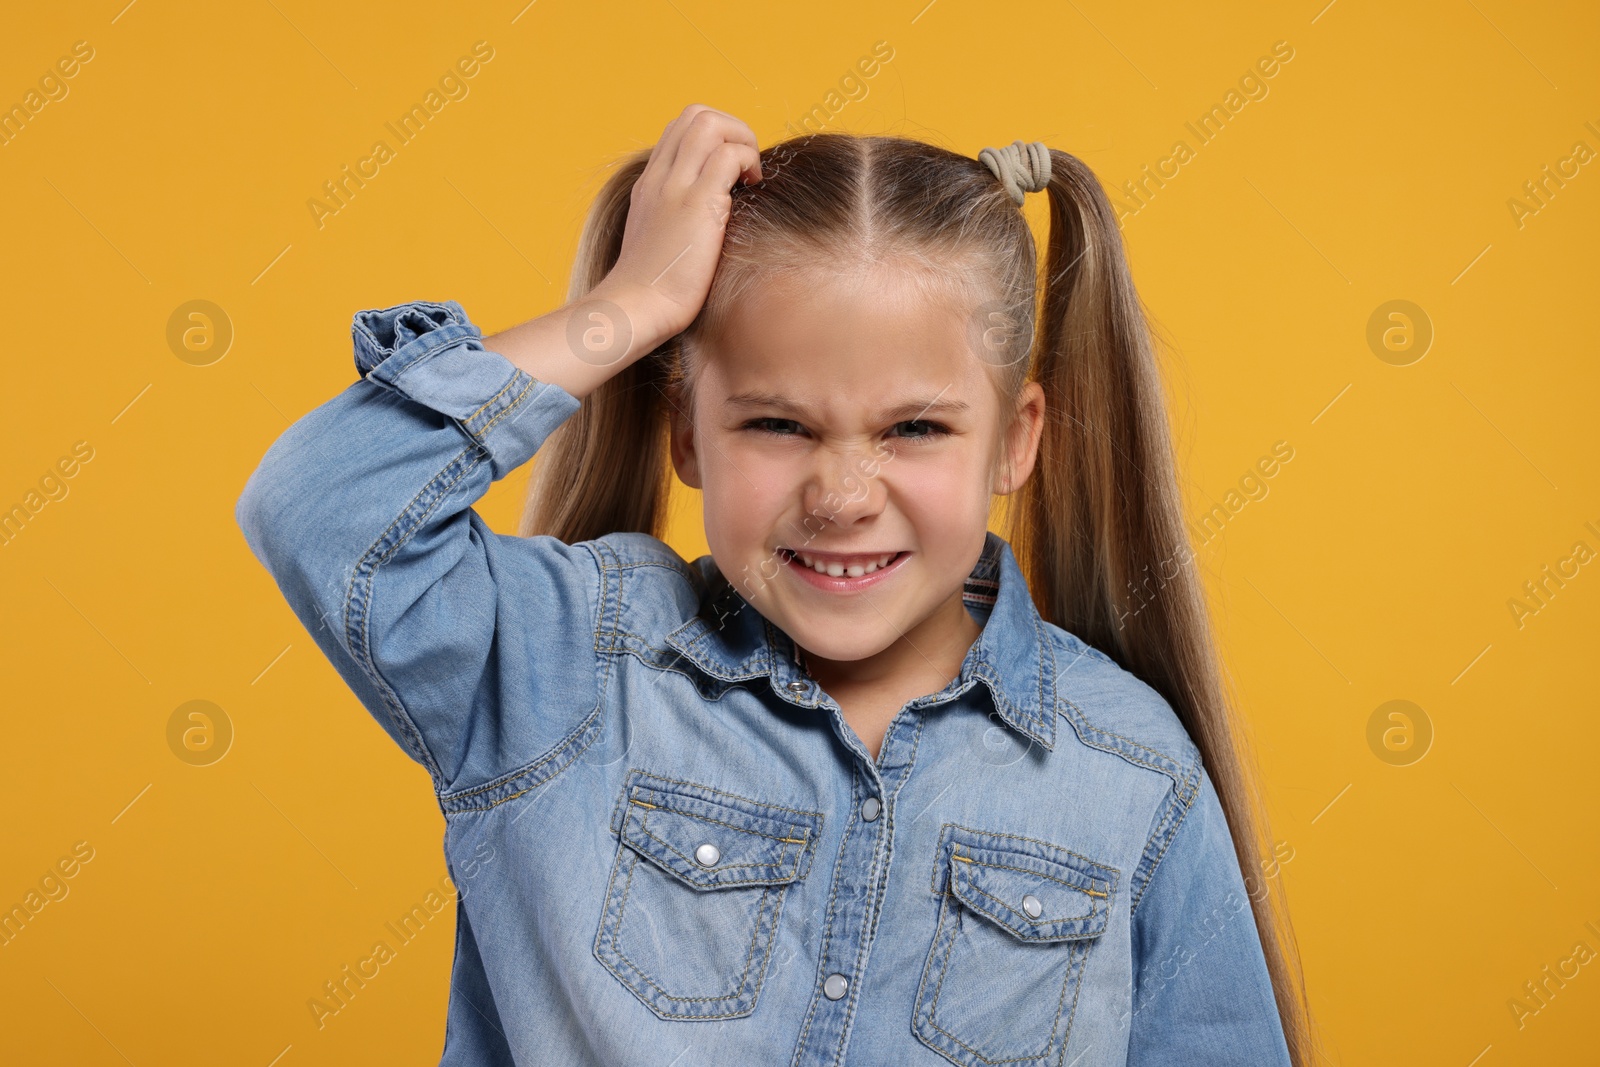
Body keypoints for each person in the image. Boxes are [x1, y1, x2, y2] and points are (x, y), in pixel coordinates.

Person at [236, 103, 1315, 1066]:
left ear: (1012, 442)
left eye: (916, 428)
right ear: (684, 431)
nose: (843, 494)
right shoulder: (567, 667)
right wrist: (631, 304)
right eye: (775, 423)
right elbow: (321, 508)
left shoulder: (1128, 766)